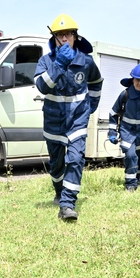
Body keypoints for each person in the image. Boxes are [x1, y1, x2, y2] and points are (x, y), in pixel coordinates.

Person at [34, 13, 103, 221]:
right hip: (53, 121)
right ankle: (58, 191)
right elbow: (42, 86)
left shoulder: (86, 61)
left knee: (75, 159)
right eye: (60, 35)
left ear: (75, 37)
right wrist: (59, 65)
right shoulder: (46, 61)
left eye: (69, 34)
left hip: (77, 120)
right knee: (56, 165)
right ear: (54, 38)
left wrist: (91, 106)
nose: (65, 39)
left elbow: (96, 82)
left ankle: (67, 205)